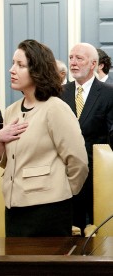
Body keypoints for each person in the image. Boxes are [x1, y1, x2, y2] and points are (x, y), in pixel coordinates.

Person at [0, 39, 88, 237]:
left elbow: (78, 161)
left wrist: (63, 192)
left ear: (37, 71)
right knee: (16, 268)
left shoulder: (56, 108)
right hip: (14, 207)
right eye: (13, 63)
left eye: (20, 65)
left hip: (49, 209)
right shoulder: (11, 111)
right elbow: (11, 163)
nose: (12, 70)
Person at [61, 42, 113, 235]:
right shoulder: (59, 93)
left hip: (96, 174)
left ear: (93, 64)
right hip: (67, 174)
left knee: (96, 230)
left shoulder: (109, 94)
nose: (73, 63)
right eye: (71, 58)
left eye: (79, 58)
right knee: (71, 230)